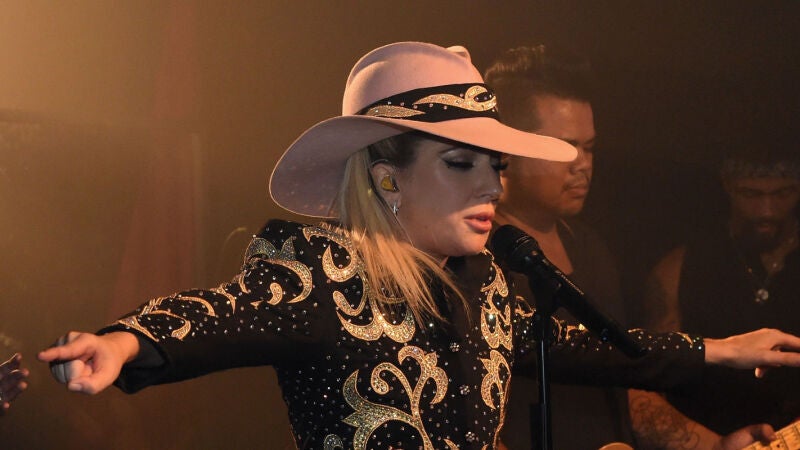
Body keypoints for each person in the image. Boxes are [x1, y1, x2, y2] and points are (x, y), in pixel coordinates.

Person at [37, 41, 800, 450]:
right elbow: (223, 312)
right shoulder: (325, 273)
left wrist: (717, 350)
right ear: (388, 177)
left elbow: (586, 346)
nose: (492, 185)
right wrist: (125, 342)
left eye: (495, 166)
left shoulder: (485, 287)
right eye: (462, 164)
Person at [484, 44, 632, 449]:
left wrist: (710, 443)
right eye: (566, 147)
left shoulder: (590, 247)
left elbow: (624, 381)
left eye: (590, 147)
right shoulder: (474, 258)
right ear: (508, 147)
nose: (583, 164)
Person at [629, 135, 800, 449]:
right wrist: (710, 444)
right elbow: (648, 376)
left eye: (782, 193)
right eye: (751, 194)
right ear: (728, 186)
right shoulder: (680, 267)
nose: (767, 210)